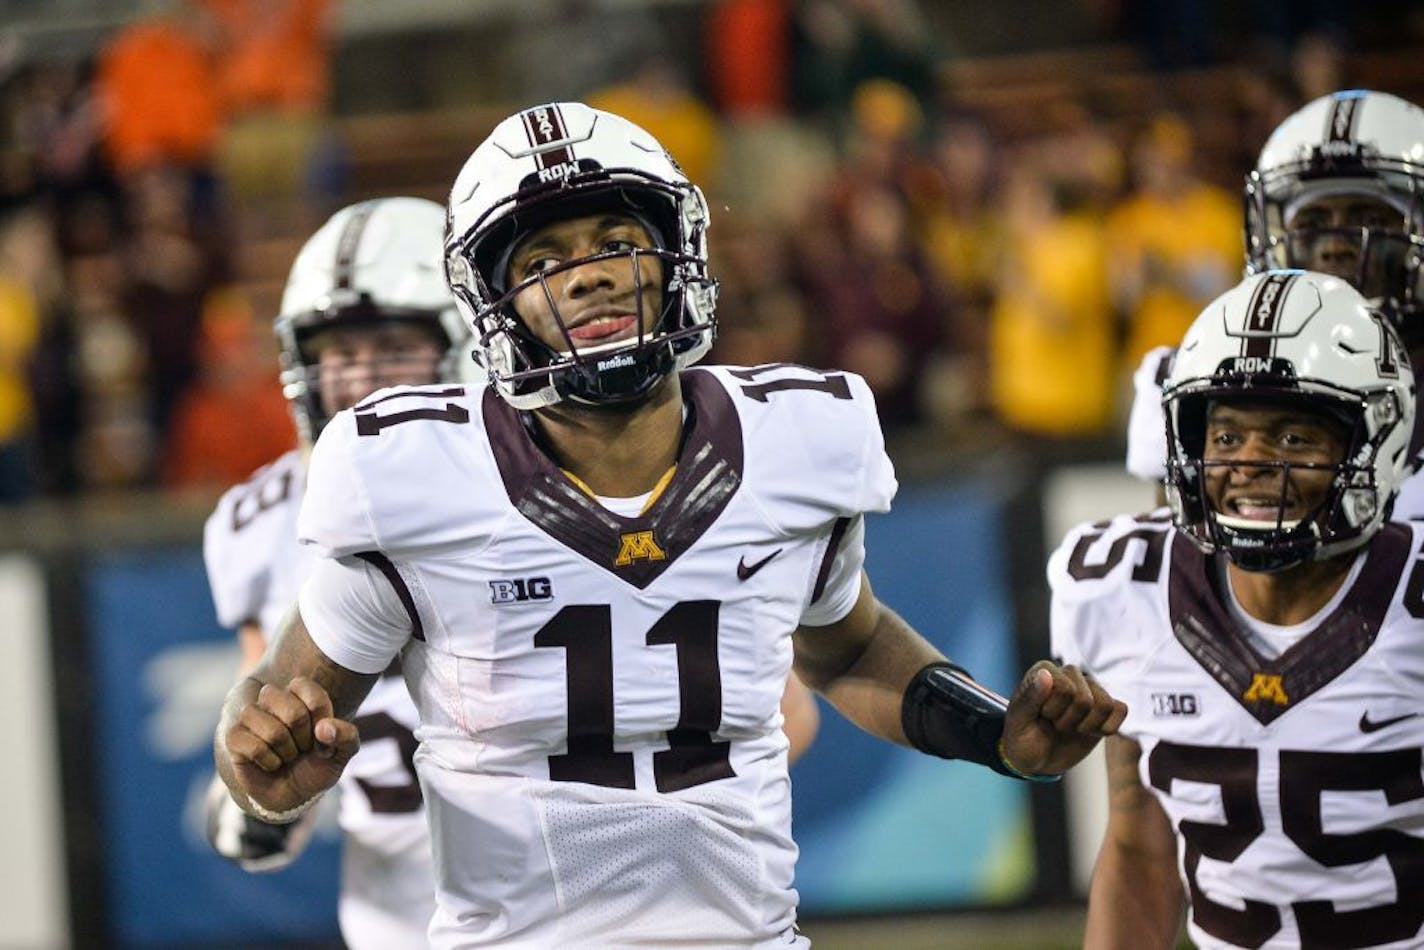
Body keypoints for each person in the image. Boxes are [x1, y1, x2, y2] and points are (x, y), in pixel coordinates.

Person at [212, 102, 1126, 948]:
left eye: (618, 238)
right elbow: (274, 705)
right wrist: (262, 773)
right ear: (493, 308)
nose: (592, 273)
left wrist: (995, 735)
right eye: (540, 263)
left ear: (677, 257)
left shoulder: (794, 442)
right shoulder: (406, 477)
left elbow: (846, 652)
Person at [1052, 269, 1424, 949]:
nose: (1249, 463)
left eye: (1292, 439)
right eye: (1226, 438)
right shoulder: (1121, 587)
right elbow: (1139, 847)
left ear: (1374, 443)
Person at [201, 196, 467, 948]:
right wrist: (257, 806)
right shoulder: (260, 523)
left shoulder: (539, 486)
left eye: (390, 344)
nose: (356, 378)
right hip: (397, 924)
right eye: (337, 352)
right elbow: (265, 724)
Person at [1124, 89, 1424, 509]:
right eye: (1313, 220)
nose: (1335, 244)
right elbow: (1184, 555)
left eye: (1368, 218)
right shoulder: (1197, 373)